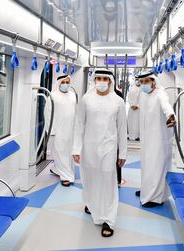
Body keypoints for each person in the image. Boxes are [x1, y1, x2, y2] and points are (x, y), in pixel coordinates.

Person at [72, 68, 127, 237]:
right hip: (89, 147)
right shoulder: (86, 100)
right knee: (90, 178)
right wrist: (76, 148)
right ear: (94, 80)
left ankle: (108, 219)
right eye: (99, 78)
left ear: (110, 81)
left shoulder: (118, 102)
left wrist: (122, 153)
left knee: (108, 180)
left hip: (109, 148)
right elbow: (79, 125)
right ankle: (91, 203)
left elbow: (122, 129)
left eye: (105, 78)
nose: (102, 81)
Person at [135, 71, 176, 208]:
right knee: (147, 165)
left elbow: (166, 106)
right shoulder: (143, 95)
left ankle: (155, 198)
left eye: (147, 81)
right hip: (147, 138)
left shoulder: (160, 94)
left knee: (156, 167)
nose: (144, 84)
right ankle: (147, 190)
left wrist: (171, 116)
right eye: (142, 82)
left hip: (159, 139)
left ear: (153, 81)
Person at [47, 74, 77, 187]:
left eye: (67, 82)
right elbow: (48, 114)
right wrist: (51, 131)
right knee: (60, 153)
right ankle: (66, 177)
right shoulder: (53, 96)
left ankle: (56, 169)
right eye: (63, 82)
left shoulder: (73, 95)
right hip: (58, 130)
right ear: (59, 83)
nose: (65, 84)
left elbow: (75, 112)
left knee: (68, 153)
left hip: (70, 129)